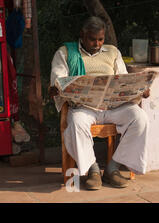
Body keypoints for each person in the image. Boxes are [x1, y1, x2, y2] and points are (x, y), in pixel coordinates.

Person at [48, 16, 151, 190]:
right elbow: (58, 79)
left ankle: (113, 168)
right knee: (76, 122)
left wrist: (140, 90)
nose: (97, 43)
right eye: (92, 39)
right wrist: (56, 88)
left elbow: (124, 78)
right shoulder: (65, 52)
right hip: (84, 108)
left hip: (114, 106)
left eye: (100, 39)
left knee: (140, 118)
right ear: (82, 35)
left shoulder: (113, 52)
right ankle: (93, 170)